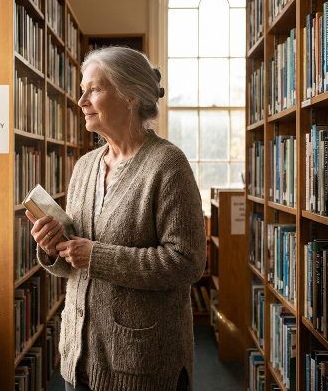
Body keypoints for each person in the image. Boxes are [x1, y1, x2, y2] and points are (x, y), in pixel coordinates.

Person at [25, 46, 206, 391]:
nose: (81, 101)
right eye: (83, 90)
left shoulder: (168, 165)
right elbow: (72, 263)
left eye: (93, 89)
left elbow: (187, 263)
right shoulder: (84, 167)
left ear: (130, 98)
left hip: (141, 367)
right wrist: (52, 247)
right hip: (77, 358)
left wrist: (96, 256)